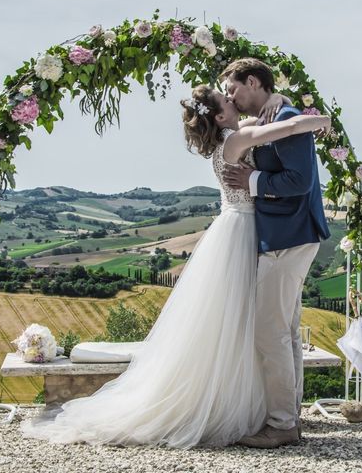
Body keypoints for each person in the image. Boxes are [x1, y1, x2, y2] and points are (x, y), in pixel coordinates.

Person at [19, 84, 331, 450]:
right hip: (244, 232)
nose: (233, 100)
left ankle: (263, 409)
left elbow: (268, 117)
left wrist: (280, 99)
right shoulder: (238, 138)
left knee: (236, 323)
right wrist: (319, 120)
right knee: (249, 324)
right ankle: (255, 411)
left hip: (234, 230)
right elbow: (288, 129)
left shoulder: (227, 139)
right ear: (219, 116)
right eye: (227, 99)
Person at [221, 58, 331, 448]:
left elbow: (299, 181)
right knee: (283, 331)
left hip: (291, 235)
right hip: (282, 235)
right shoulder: (269, 118)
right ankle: (290, 416)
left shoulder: (284, 116)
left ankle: (282, 424)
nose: (232, 98)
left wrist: (252, 179)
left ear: (253, 82)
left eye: (233, 89)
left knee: (271, 333)